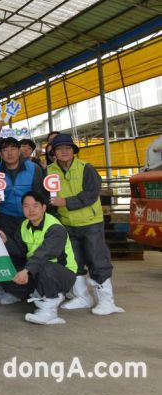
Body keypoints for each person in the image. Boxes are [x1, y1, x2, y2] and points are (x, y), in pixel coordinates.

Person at [47, 134, 123, 315]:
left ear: (74, 150)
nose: (64, 152)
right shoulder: (49, 171)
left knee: (98, 260)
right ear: (53, 153)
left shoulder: (86, 168)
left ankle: (107, 301)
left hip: (91, 223)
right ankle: (82, 297)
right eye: (59, 149)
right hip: (67, 223)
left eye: (68, 148)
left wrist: (66, 202)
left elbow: (92, 193)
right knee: (74, 261)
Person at [0, 192, 77, 325]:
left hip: (61, 275)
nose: (31, 210)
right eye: (26, 206)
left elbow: (44, 254)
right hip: (37, 270)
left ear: (44, 207)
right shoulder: (24, 225)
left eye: (35, 206)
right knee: (7, 270)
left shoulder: (55, 227)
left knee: (45, 265)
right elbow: (21, 251)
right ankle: (36, 293)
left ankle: (49, 311)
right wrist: (6, 242)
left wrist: (26, 270)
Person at [0, 137, 46, 304]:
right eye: (5, 150)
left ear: (19, 151)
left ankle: (37, 289)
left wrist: (37, 217)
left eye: (13, 149)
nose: (9, 153)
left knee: (31, 253)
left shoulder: (33, 168)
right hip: (5, 218)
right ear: (0, 154)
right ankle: (14, 291)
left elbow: (40, 193)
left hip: (29, 218)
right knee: (9, 255)